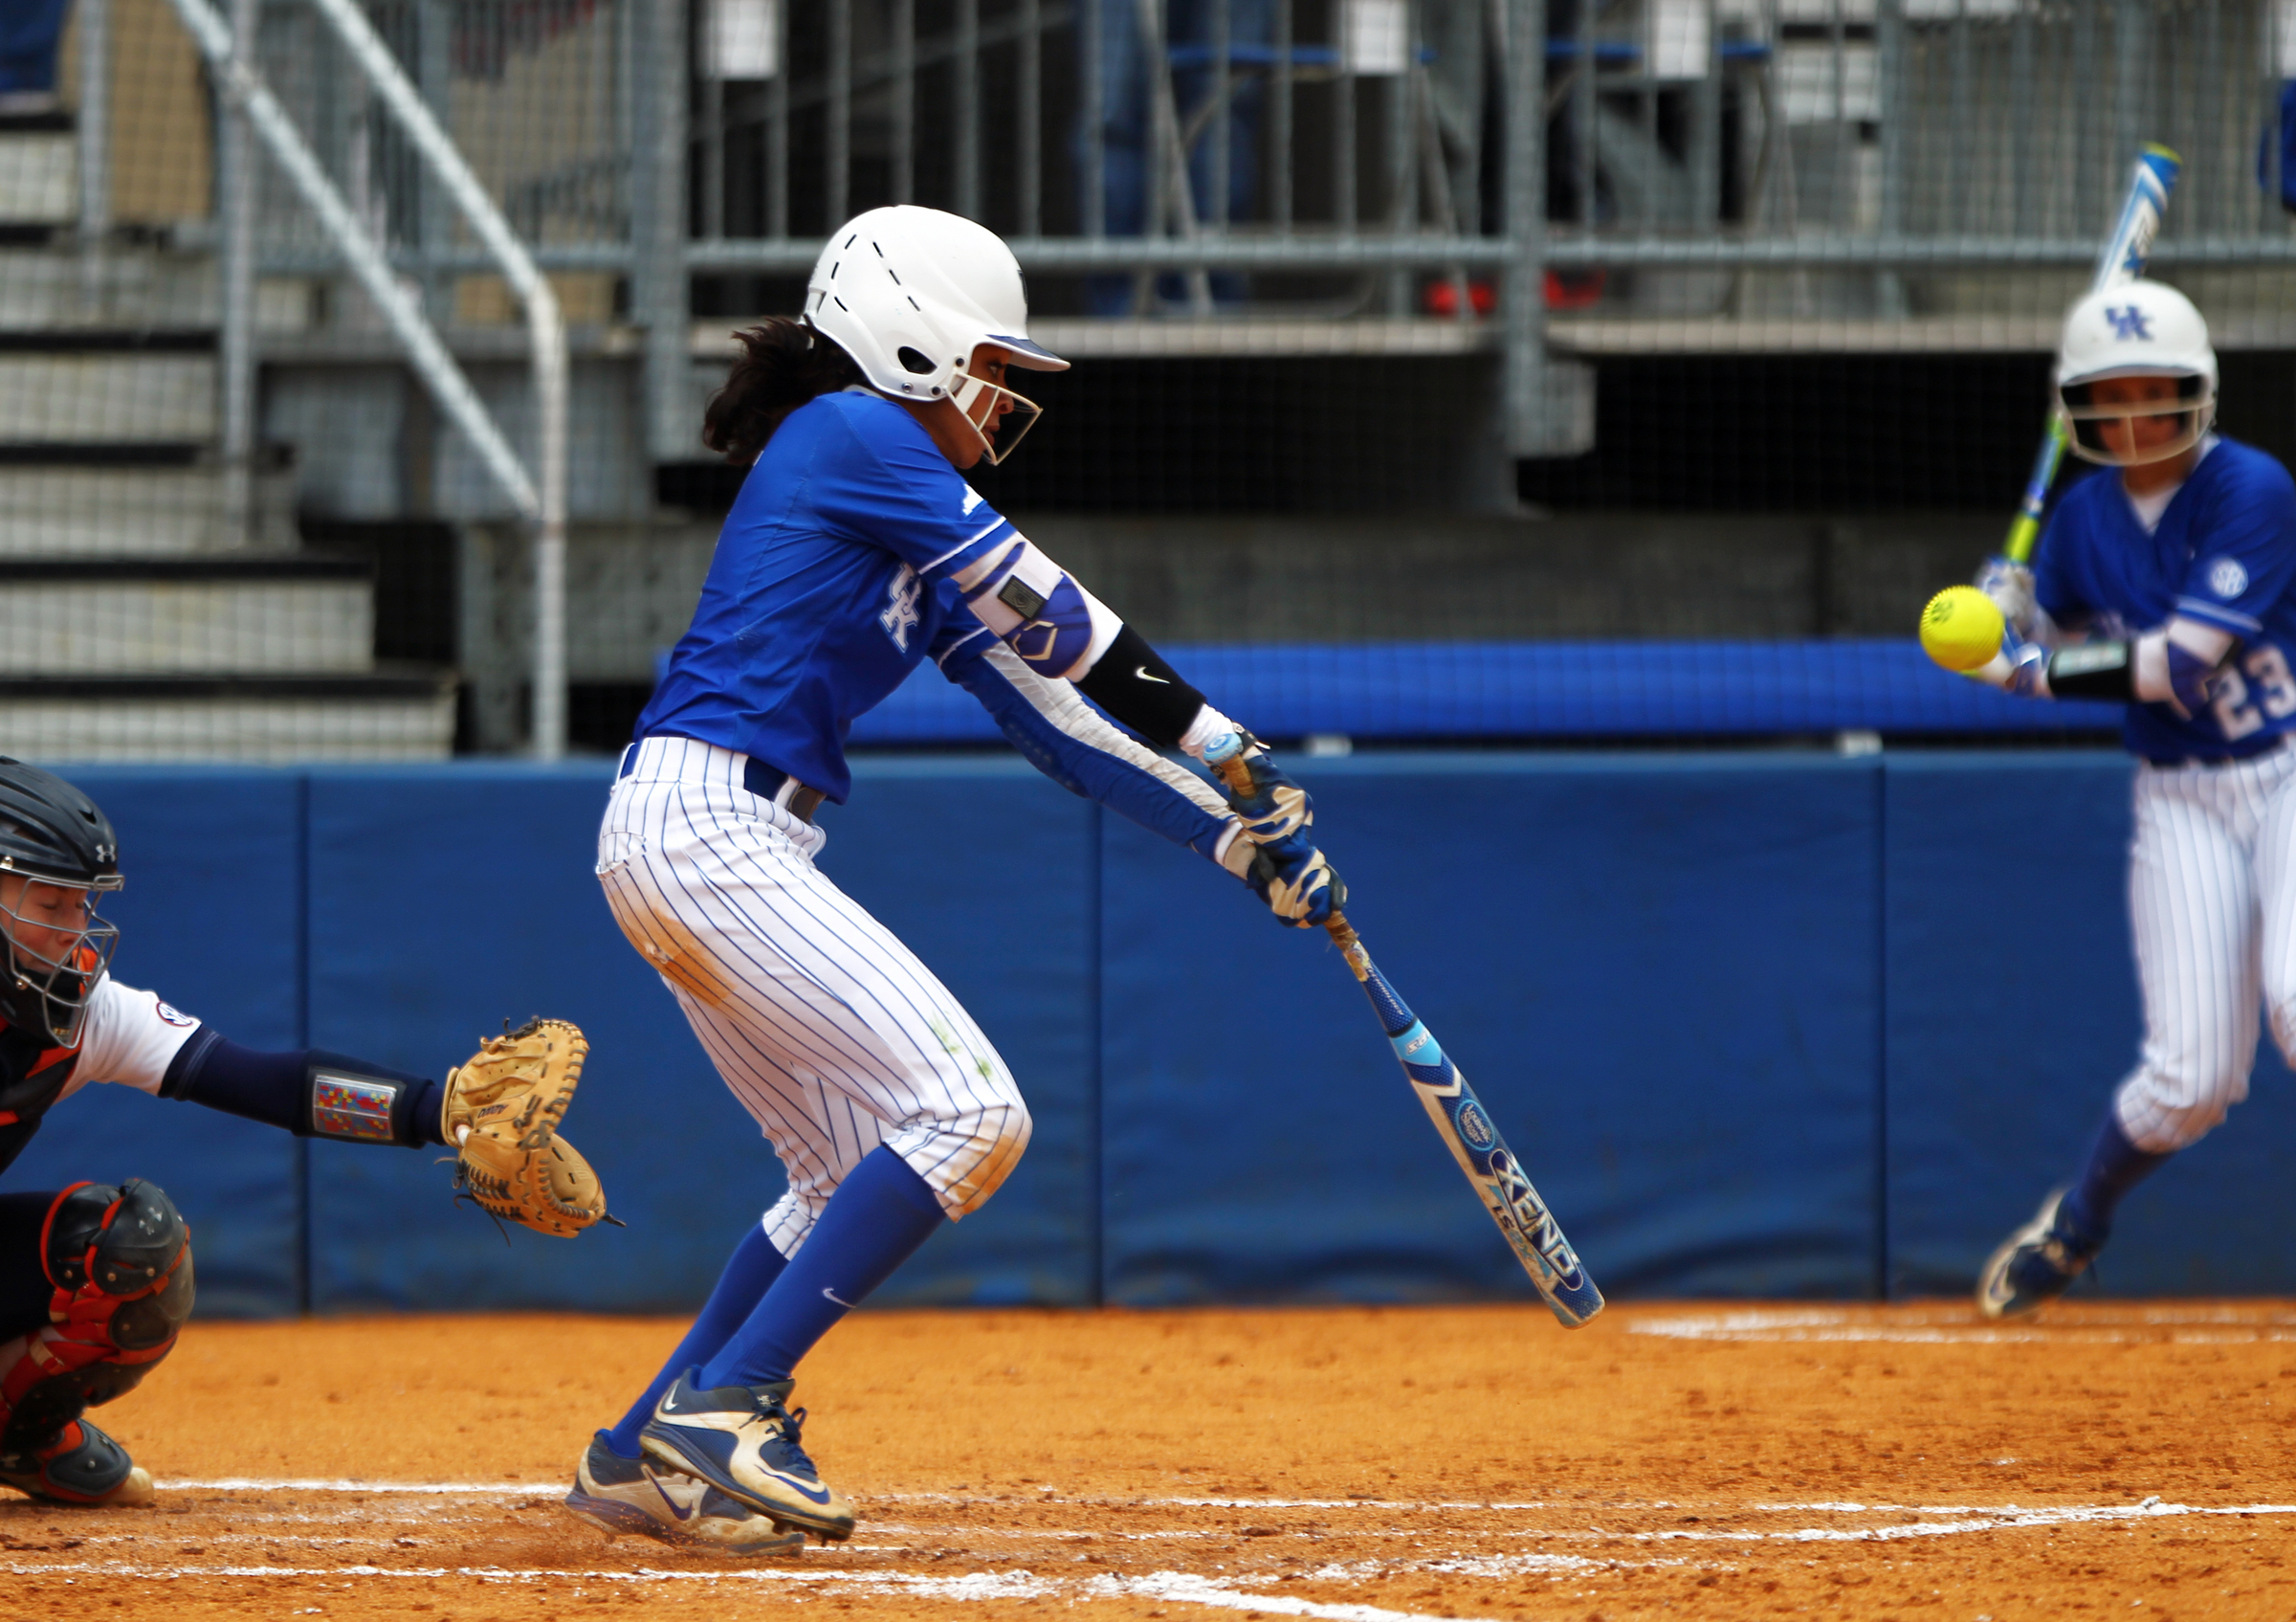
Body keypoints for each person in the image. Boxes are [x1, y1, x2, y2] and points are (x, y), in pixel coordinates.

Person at [569, 204, 1341, 1555]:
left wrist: (1234, 839)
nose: (1000, 392)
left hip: (698, 835)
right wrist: (1223, 741)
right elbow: (1069, 618)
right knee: (972, 1114)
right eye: (985, 359)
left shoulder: (902, 506)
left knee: (831, 1174)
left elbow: (1056, 718)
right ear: (906, 339)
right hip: (710, 827)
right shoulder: (859, 433)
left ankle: (643, 1446)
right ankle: (734, 1398)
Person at [0, 758, 608, 1510]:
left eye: (80, 905)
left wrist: (441, 1112)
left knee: (135, 1247)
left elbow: (267, 1081)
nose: (72, 931)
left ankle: (16, 1431)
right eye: (50, 903)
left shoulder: (78, 1013)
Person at [1966, 279, 2296, 1318]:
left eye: (2160, 391)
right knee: (2191, 1082)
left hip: (2290, 769)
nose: (2141, 416)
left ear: (2198, 391)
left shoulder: (2254, 487)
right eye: (2116, 396)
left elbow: (2176, 664)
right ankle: (2076, 1227)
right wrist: (2007, 609)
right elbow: (2065, 632)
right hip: (2180, 799)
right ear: (2083, 407)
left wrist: (2021, 669)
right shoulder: (2075, 522)